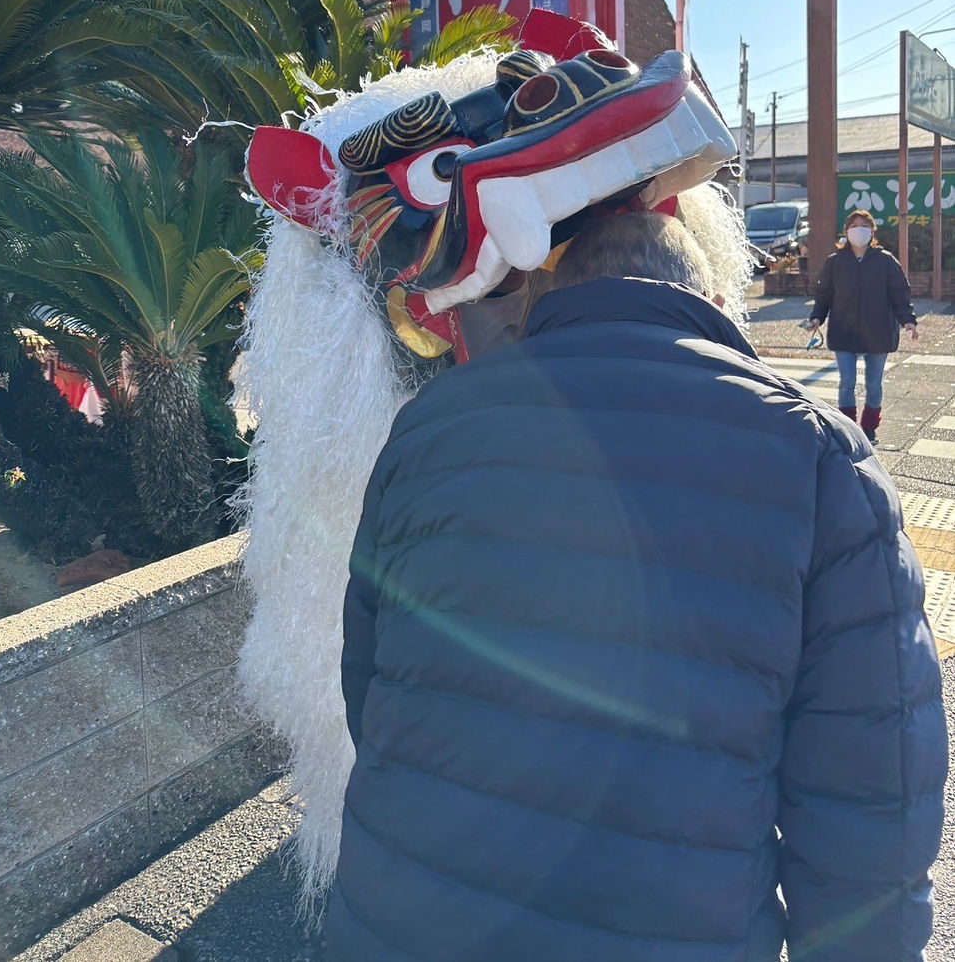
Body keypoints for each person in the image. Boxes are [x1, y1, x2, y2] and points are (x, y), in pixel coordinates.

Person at [326, 209, 946, 962]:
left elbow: (368, 675)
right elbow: (873, 781)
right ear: (713, 302)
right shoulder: (817, 456)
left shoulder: (431, 424)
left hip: (397, 921)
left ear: (547, 297)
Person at [809, 208, 918, 441]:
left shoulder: (886, 261)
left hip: (878, 331)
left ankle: (869, 429)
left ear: (872, 232)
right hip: (843, 330)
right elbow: (824, 295)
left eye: (864, 226)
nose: (859, 230)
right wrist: (817, 317)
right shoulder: (835, 262)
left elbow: (900, 294)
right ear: (846, 231)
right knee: (846, 382)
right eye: (854, 226)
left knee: (874, 384)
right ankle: (849, 429)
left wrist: (908, 320)